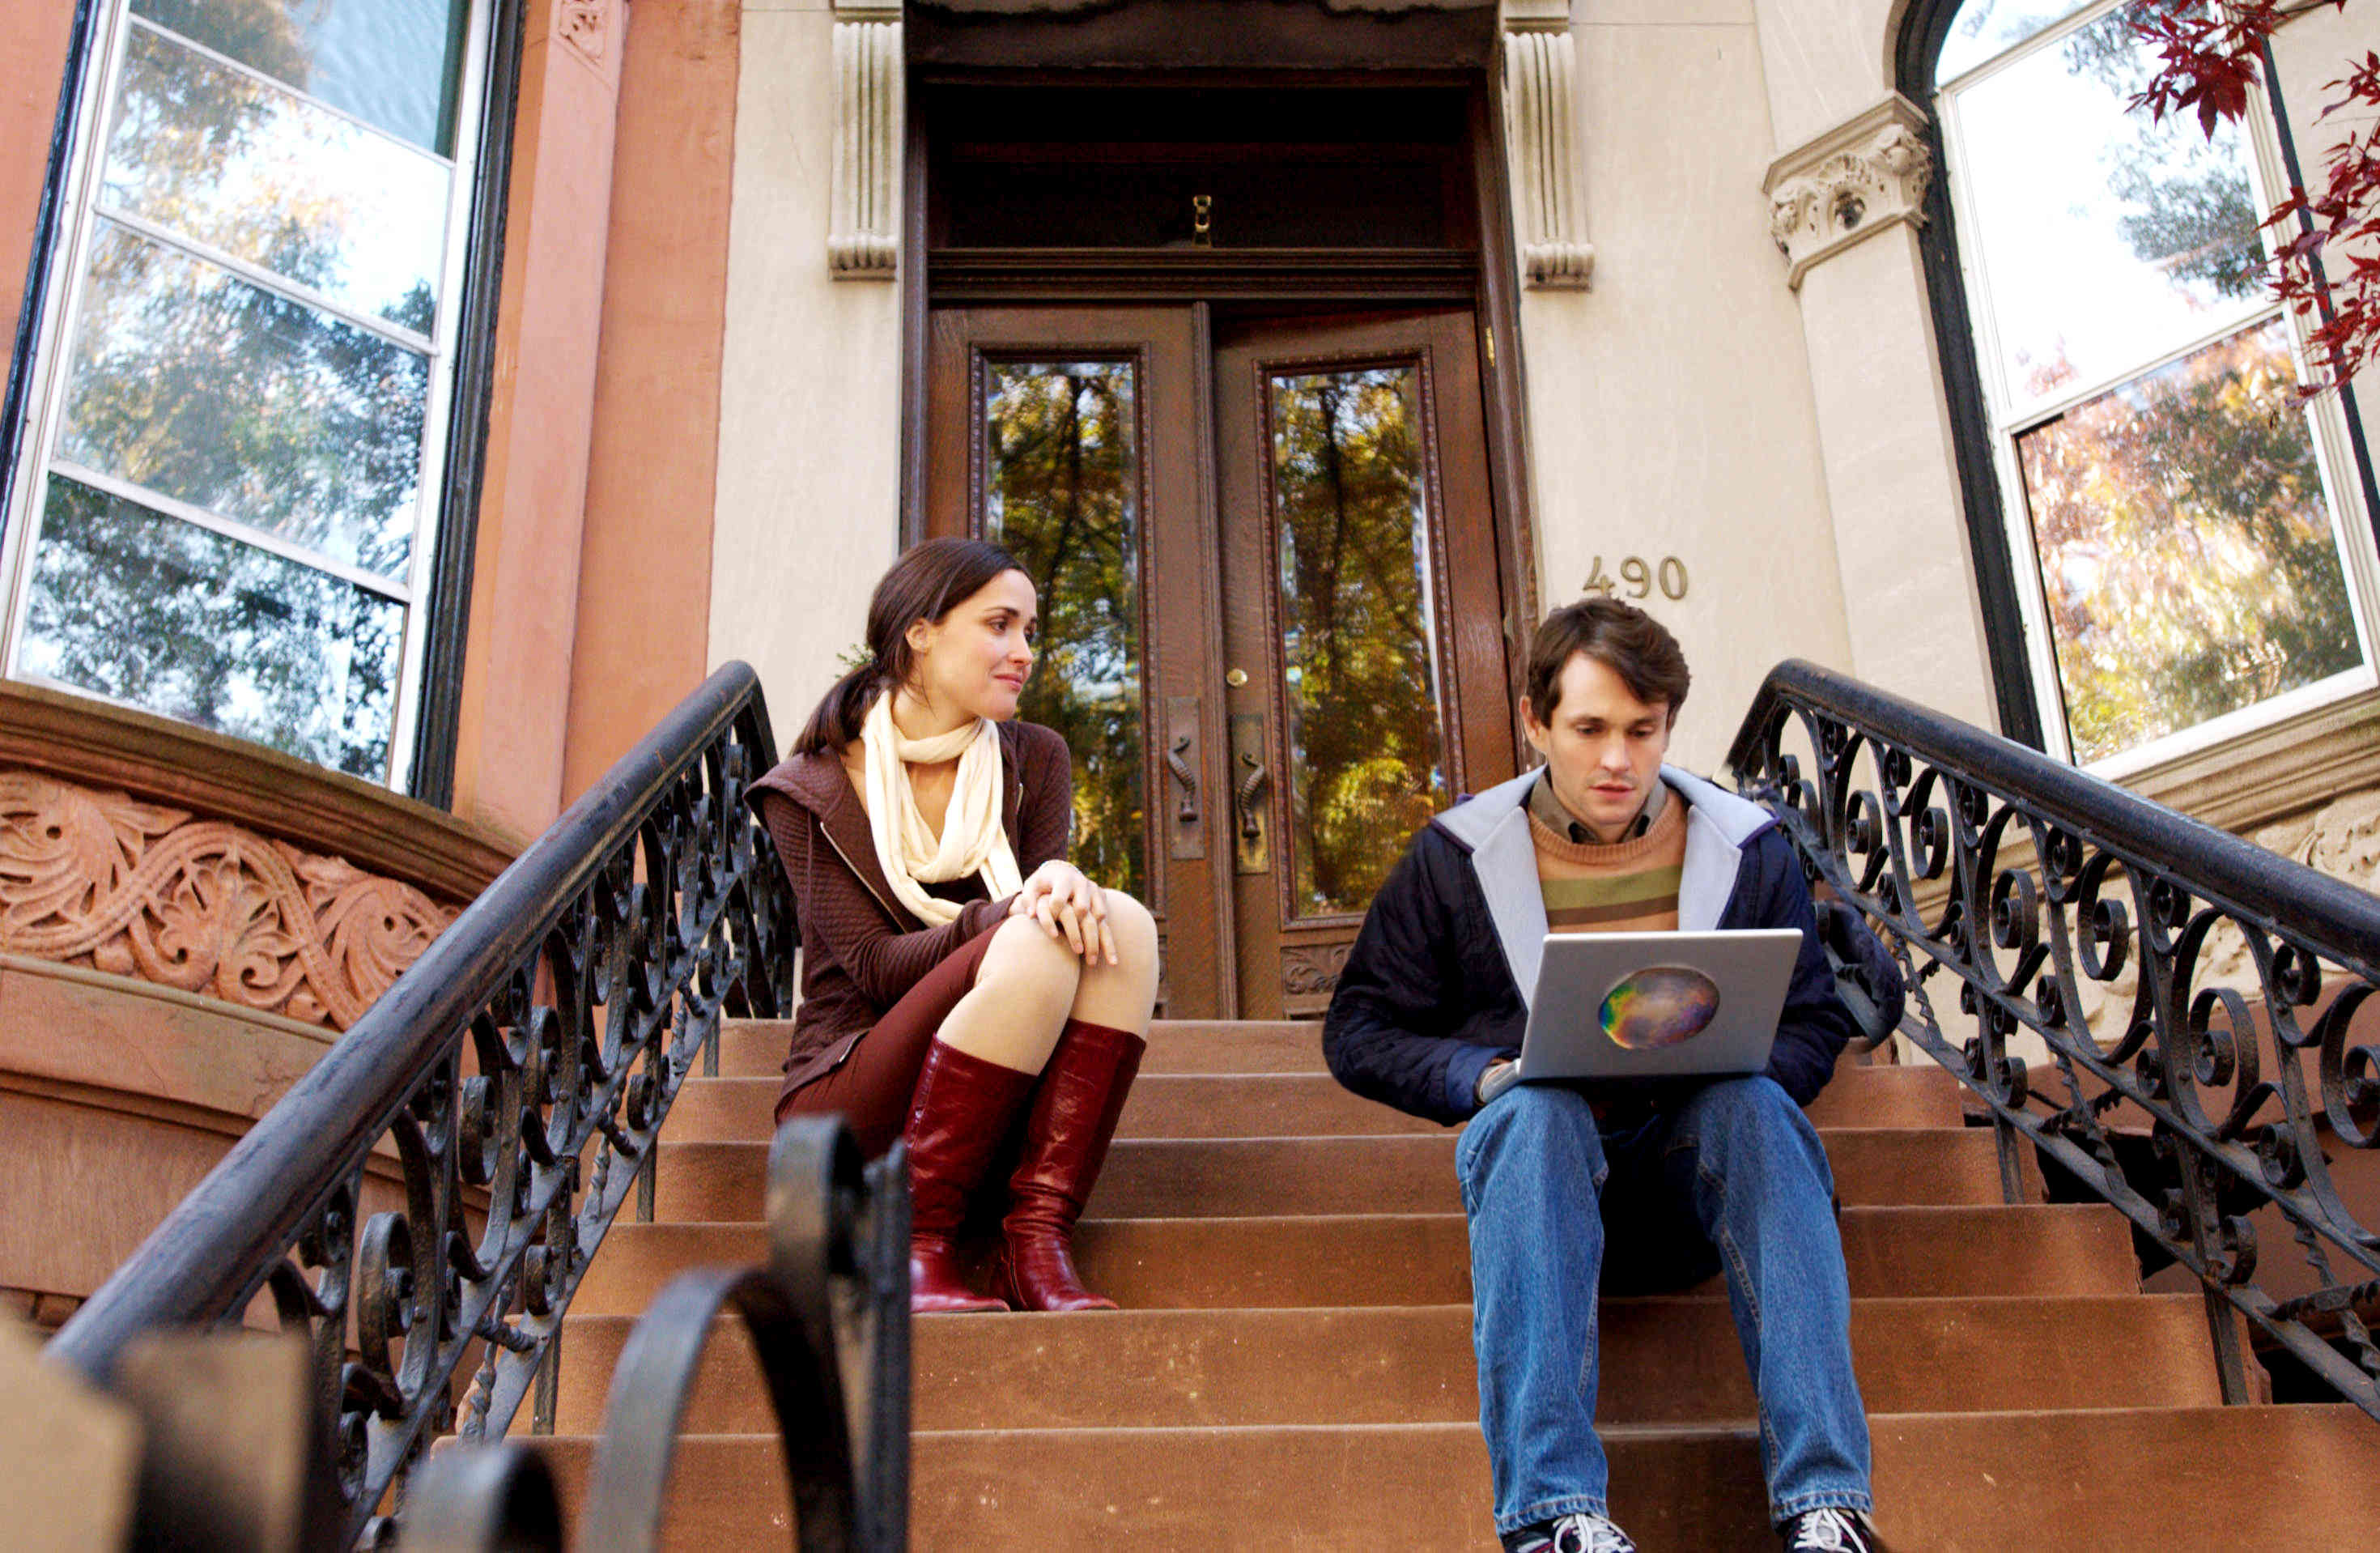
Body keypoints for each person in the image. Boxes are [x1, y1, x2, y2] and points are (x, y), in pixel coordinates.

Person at [1322, 598, 1881, 1553]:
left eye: (1642, 730)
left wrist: (1735, 1056)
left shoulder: (1749, 846)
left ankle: (1828, 1508)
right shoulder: (1455, 856)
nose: (1617, 760)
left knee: (1755, 1105)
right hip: (1539, 1190)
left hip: (1691, 1186)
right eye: (1589, 729)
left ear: (1667, 725)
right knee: (1535, 1115)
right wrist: (1486, 1075)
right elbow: (1359, 1029)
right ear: (1536, 724)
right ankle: (1554, 1520)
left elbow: (1818, 1017)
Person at [748, 536, 1159, 1315]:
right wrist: (1006, 913)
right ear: (920, 632)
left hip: (991, 1094)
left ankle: (1032, 1240)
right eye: (1000, 625)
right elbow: (870, 965)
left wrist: (1053, 890)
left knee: (1123, 926)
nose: (1024, 652)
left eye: (1031, 632)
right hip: (851, 1094)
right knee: (1031, 937)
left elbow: (1051, 915)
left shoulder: (1034, 758)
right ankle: (911, 1244)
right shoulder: (809, 788)